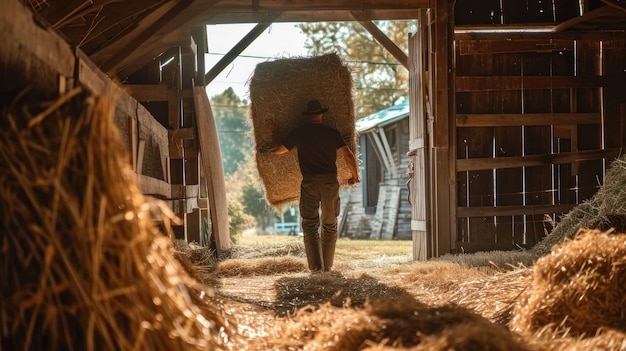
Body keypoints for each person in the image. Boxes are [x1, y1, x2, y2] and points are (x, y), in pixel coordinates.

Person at [270, 99, 360, 272]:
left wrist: (275, 132)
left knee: (310, 225)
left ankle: (316, 268)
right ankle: (327, 268)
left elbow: (279, 150)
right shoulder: (331, 133)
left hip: (310, 182)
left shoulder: (300, 132)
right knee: (330, 224)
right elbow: (348, 155)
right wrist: (354, 176)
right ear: (321, 114)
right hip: (329, 182)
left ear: (307, 116)